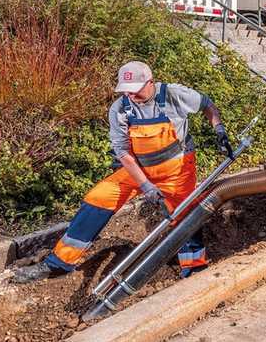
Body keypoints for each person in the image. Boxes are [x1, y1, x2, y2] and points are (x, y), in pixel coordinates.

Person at [14, 61, 232, 283]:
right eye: (127, 91)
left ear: (150, 82)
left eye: (136, 90)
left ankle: (194, 268)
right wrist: (146, 186)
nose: (131, 95)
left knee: (184, 213)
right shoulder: (120, 109)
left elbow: (207, 105)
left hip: (177, 170)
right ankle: (59, 263)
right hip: (137, 169)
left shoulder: (173, 95)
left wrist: (219, 130)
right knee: (98, 199)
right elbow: (123, 153)